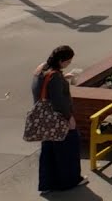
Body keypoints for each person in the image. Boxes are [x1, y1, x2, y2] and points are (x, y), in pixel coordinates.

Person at [32, 45, 84, 193]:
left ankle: (48, 183)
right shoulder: (54, 77)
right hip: (58, 120)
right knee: (68, 149)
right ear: (61, 61)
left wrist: (63, 78)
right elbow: (58, 101)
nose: (69, 64)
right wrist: (69, 118)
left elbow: (42, 89)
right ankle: (69, 181)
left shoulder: (41, 69)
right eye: (68, 62)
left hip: (45, 120)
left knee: (48, 151)